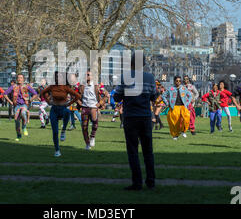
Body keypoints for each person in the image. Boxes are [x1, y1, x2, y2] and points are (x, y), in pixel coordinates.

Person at [113, 52, 158, 190]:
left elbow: (117, 97)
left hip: (131, 117)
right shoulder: (150, 77)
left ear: (131, 63)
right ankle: (150, 181)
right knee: (148, 151)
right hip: (145, 117)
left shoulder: (125, 77)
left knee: (133, 150)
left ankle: (137, 182)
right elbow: (154, 97)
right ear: (143, 64)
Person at [40, 71, 81, 157]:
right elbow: (43, 93)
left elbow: (77, 96)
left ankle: (63, 130)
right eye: (56, 77)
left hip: (63, 108)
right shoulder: (52, 87)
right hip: (54, 109)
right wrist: (48, 101)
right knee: (54, 132)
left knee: (67, 111)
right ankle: (57, 150)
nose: (57, 78)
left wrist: (69, 104)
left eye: (59, 77)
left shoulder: (65, 87)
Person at [3, 74, 38, 141]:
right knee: (17, 121)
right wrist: (10, 102)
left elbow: (35, 94)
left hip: (24, 104)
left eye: (21, 78)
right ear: (17, 79)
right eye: (18, 78)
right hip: (16, 105)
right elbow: (5, 94)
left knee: (23, 112)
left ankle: (24, 127)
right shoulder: (13, 86)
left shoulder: (27, 86)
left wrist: (30, 100)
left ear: (23, 79)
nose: (19, 79)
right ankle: (19, 136)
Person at [77, 71, 104, 150]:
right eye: (86, 75)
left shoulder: (97, 86)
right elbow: (75, 95)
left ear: (92, 77)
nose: (87, 76)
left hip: (93, 107)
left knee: (95, 123)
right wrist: (79, 102)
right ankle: (87, 143)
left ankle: (92, 136)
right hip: (85, 107)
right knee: (84, 127)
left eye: (88, 75)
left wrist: (99, 104)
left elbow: (106, 95)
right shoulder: (81, 86)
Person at [162, 76, 193, 140]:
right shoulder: (170, 89)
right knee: (175, 122)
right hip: (175, 107)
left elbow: (190, 96)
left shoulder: (184, 88)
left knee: (186, 118)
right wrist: (167, 103)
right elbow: (163, 96)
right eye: (177, 81)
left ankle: (183, 131)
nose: (178, 82)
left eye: (179, 81)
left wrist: (187, 103)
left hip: (183, 106)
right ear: (174, 81)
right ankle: (175, 135)